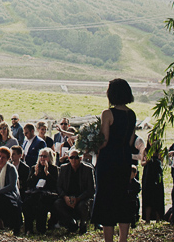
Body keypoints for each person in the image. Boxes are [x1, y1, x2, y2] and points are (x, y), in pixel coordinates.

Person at [91, 78, 137, 242]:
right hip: (124, 159)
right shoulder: (131, 114)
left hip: (108, 161)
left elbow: (104, 141)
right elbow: (131, 142)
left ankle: (109, 240)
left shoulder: (108, 113)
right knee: (122, 197)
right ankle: (123, 239)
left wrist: (91, 145)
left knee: (106, 198)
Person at [53, 149, 95, 234]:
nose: (74, 160)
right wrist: (65, 197)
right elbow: (59, 186)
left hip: (82, 198)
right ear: (68, 158)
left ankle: (83, 225)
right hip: (67, 197)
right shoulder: (64, 168)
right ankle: (70, 222)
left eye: (76, 157)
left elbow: (91, 189)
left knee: (83, 205)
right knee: (57, 203)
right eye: (71, 157)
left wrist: (78, 199)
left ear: (80, 158)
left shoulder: (88, 169)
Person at [22, 147, 58, 234]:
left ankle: (41, 228)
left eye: (44, 156)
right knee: (27, 203)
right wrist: (35, 174)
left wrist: (47, 174)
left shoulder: (53, 168)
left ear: (49, 158)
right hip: (35, 192)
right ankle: (28, 228)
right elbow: (29, 184)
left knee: (42, 201)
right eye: (40, 156)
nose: (42, 158)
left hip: (48, 193)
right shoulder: (35, 167)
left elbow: (55, 184)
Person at [141, 140, 165, 222]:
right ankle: (147, 218)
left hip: (157, 173)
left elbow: (162, 162)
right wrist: (146, 161)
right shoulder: (146, 150)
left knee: (158, 195)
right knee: (148, 196)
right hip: (148, 174)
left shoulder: (160, 151)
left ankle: (158, 218)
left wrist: (159, 157)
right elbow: (142, 163)